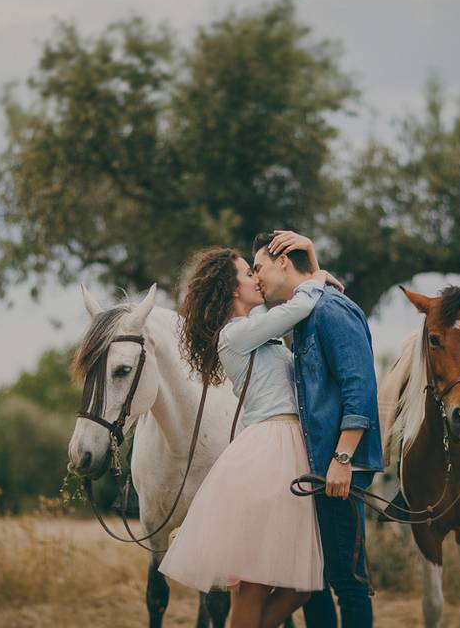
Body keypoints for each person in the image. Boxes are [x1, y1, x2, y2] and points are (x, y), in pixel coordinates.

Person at [159, 239, 344, 628]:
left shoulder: (257, 328)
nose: (256, 277)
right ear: (231, 288)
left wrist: (311, 271)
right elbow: (299, 305)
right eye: (248, 272)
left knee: (302, 585)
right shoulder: (234, 335)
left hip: (288, 449)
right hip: (269, 452)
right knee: (256, 585)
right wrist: (318, 275)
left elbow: (294, 309)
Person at [251, 231, 384, 628]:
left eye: (258, 267)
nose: (256, 277)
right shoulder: (305, 313)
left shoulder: (331, 310)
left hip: (337, 470)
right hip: (316, 471)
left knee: (349, 581)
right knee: (315, 580)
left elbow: (359, 387)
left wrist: (343, 458)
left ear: (283, 262)